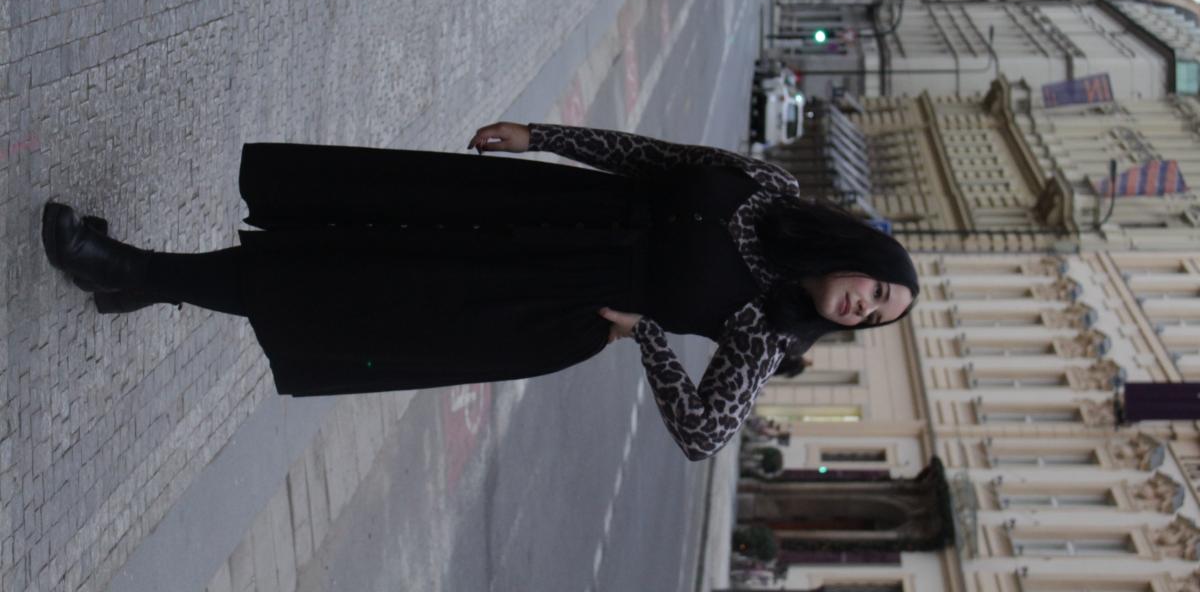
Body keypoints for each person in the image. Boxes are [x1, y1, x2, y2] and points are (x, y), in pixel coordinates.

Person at [41, 122, 918, 461]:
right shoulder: (769, 188)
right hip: (539, 210)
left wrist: (647, 335)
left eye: (876, 317)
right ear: (860, 248)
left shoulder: (768, 333)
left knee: (340, 289)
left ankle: (133, 271)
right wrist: (541, 136)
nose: (863, 307)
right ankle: (146, 281)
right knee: (348, 221)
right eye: (878, 288)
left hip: (542, 301)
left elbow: (704, 434)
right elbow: (654, 157)